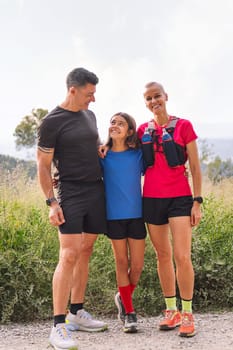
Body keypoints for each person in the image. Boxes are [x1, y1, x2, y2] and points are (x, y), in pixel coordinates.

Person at [37, 67, 108, 350]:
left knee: (85, 250)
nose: (93, 99)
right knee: (68, 255)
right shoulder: (51, 122)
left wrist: (101, 148)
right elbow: (43, 165)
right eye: (89, 94)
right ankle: (58, 326)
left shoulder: (89, 115)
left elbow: (90, 145)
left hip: (96, 190)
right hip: (71, 193)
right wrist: (52, 202)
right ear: (73, 90)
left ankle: (76, 311)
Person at [137, 82, 202, 338]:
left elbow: (195, 167)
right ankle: (171, 310)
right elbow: (123, 149)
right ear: (145, 102)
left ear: (166, 97)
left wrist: (197, 201)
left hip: (180, 198)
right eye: (149, 98)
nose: (154, 101)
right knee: (162, 255)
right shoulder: (142, 130)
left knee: (182, 256)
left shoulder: (184, 126)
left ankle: (187, 313)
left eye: (157, 96)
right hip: (151, 198)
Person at [99, 112, 146, 333]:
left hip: (136, 215)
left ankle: (122, 296)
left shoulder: (138, 155)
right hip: (113, 217)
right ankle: (129, 312)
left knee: (137, 266)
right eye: (112, 122)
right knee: (121, 262)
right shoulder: (101, 155)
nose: (115, 125)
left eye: (121, 123)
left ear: (129, 131)